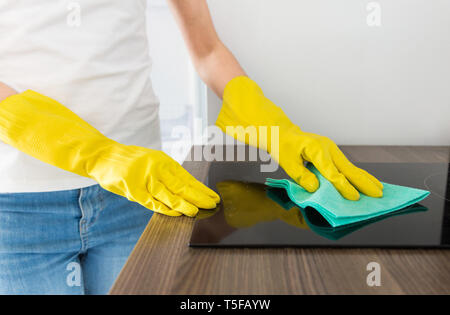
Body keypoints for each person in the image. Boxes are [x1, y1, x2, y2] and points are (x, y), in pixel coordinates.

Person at [0, 0, 383, 295]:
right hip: (18, 208)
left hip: (145, 196)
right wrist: (98, 154)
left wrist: (272, 126)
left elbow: (208, 50)